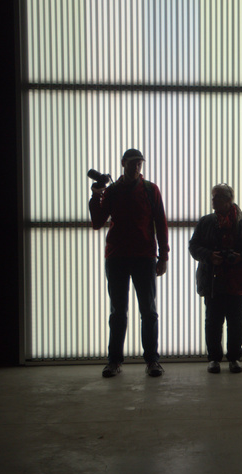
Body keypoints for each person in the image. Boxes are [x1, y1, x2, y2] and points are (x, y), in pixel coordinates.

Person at [89, 148, 169, 378]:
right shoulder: (112, 190)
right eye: (132, 163)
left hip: (144, 257)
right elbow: (97, 222)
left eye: (139, 163)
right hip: (116, 257)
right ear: (123, 163)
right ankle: (114, 361)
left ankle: (152, 361)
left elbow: (160, 224)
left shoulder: (150, 189)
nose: (136, 167)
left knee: (149, 311)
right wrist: (96, 195)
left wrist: (163, 256)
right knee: (118, 312)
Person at [189, 184, 242, 374]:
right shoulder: (206, 221)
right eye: (213, 196)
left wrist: (241, 256)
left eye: (219, 197)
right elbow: (193, 246)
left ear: (230, 199)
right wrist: (209, 256)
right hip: (213, 278)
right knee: (212, 320)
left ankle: (234, 358)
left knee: (236, 320)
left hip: (237, 278)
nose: (214, 200)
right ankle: (214, 358)